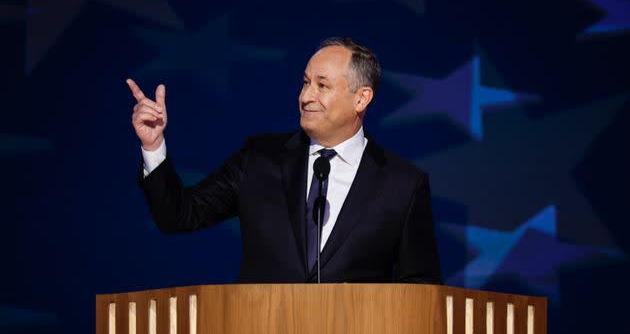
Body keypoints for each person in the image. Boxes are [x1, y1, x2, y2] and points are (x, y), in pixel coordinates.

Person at [127, 37, 442, 284]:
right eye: (305, 82)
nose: (305, 96)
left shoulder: (402, 183)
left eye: (322, 85)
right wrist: (153, 146)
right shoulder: (260, 159)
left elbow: (421, 286)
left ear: (361, 98)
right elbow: (179, 216)